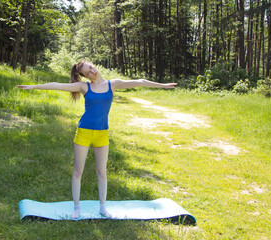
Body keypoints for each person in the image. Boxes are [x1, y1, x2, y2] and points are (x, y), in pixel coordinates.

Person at [17, 59, 177, 219]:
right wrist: (33, 86)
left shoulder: (112, 84)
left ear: (95, 66)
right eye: (87, 72)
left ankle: (102, 207)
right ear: (84, 76)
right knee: (78, 171)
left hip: (102, 133)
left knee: (102, 172)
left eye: (91, 68)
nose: (92, 72)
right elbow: (56, 85)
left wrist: (162, 85)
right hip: (84, 132)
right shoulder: (84, 87)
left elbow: (139, 82)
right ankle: (76, 207)